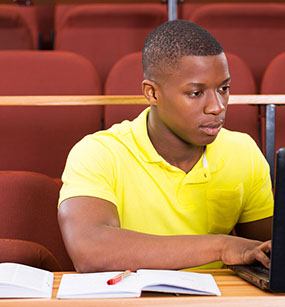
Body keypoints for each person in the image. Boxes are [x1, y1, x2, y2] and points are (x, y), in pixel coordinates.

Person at [58, 20, 273, 273]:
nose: (217, 106)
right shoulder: (98, 153)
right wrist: (222, 247)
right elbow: (90, 251)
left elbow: (268, 250)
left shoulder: (243, 150)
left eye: (223, 89)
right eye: (196, 93)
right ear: (152, 93)